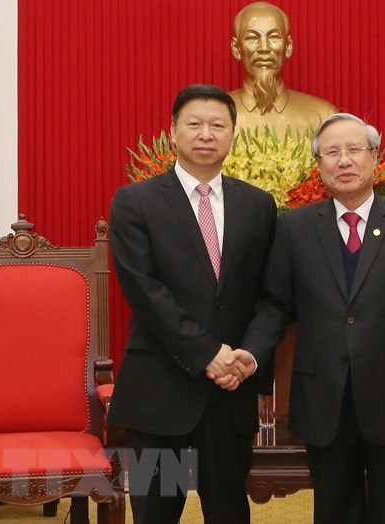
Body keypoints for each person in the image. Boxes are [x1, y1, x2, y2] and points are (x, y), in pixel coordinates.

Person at [226, 113, 385, 523]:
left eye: (354, 150)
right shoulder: (295, 229)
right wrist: (251, 353)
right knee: (335, 510)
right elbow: (276, 305)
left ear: (374, 159)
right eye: (332, 152)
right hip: (324, 400)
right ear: (319, 166)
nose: (344, 161)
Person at [108, 84, 277, 524]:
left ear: (233, 133)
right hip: (158, 391)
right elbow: (144, 291)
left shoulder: (258, 205)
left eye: (218, 125)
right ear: (173, 131)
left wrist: (248, 357)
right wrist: (208, 354)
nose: (206, 133)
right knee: (154, 511)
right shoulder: (135, 202)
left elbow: (270, 295)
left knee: (228, 511)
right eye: (194, 124)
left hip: (230, 392)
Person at [229, 1, 337, 136]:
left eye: (274, 37)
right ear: (236, 48)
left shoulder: (322, 117)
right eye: (252, 38)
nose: (264, 48)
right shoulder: (213, 117)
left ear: (288, 47)